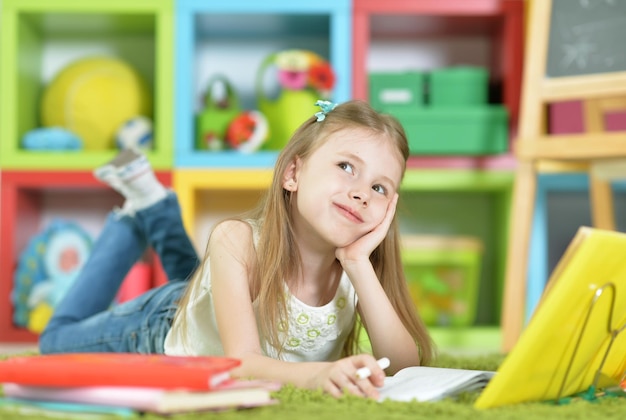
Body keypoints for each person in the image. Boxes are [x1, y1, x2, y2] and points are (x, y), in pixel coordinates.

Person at [39, 99, 435, 399]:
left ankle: (154, 205)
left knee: (198, 279)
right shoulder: (236, 238)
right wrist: (316, 376)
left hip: (213, 304)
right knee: (53, 343)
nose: (361, 192)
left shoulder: (357, 267)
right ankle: (136, 218)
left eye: (379, 188)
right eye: (346, 166)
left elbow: (403, 368)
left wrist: (357, 263)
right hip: (163, 326)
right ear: (293, 173)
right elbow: (240, 363)